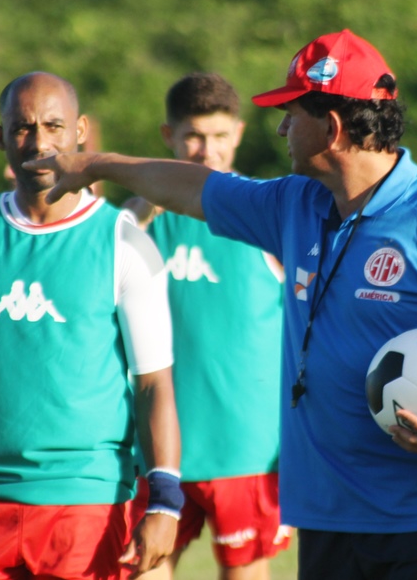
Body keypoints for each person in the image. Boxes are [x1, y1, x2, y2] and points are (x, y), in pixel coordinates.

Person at [25, 29, 417, 580]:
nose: (280, 127)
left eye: (290, 112)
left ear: (330, 127)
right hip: (326, 523)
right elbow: (189, 187)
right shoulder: (294, 204)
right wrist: (95, 165)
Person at [0, 71, 183, 580]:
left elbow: (154, 386)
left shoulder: (124, 242)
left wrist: (164, 502)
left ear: (79, 131)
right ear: (0, 137)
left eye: (54, 126)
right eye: (22, 127)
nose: (39, 142)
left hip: (86, 507)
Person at [128, 72, 290, 579]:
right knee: (139, 569)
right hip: (155, 452)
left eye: (219, 137)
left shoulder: (268, 214)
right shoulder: (135, 226)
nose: (206, 151)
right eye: (194, 137)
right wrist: (137, 208)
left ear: (238, 134)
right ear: (168, 136)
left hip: (247, 449)